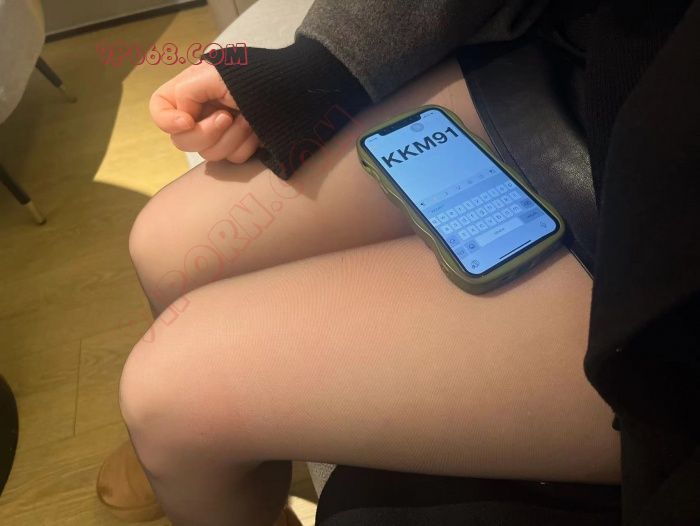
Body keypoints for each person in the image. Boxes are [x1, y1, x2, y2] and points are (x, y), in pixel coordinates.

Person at [96, 1, 700, 525]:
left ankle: (200, 455)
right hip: (591, 64)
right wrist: (321, 64)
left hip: (668, 248)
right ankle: (219, 466)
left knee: (169, 395)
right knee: (164, 246)